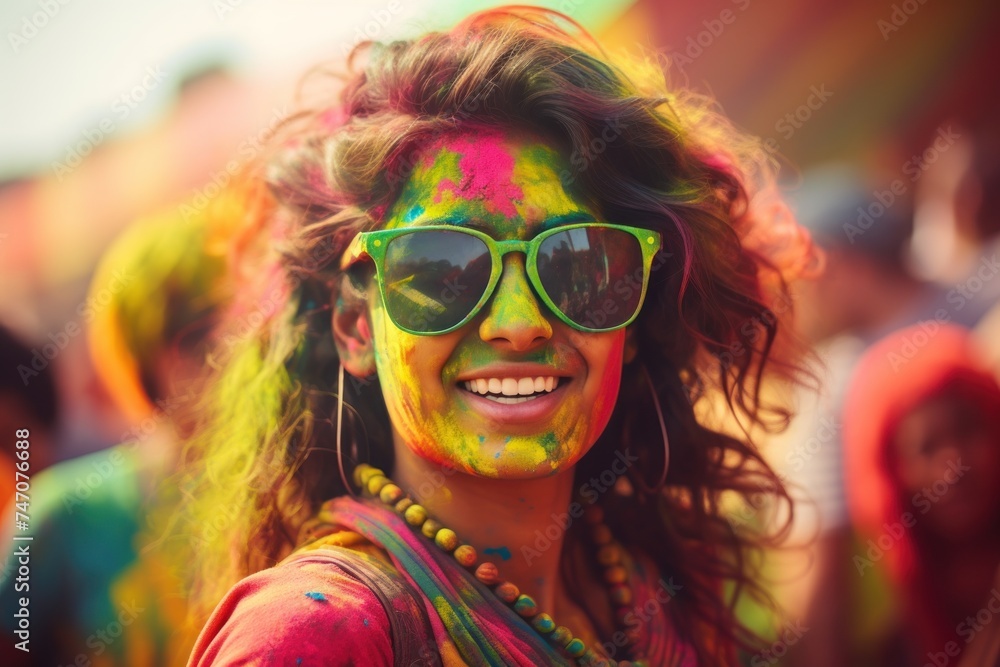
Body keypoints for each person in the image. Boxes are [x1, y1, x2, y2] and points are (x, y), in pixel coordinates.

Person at [180, 7, 821, 666]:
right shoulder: (318, 638)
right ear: (355, 325)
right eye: (442, 266)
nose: (518, 323)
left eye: (578, 263)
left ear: (634, 319)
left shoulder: (647, 583)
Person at [0, 185, 241, 667]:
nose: (227, 357)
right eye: (196, 339)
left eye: (244, 328)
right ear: (143, 358)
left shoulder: (299, 494)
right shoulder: (63, 515)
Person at [842, 323, 1000, 666]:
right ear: (890, 471)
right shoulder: (887, 633)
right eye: (926, 449)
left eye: (967, 429)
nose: (954, 467)